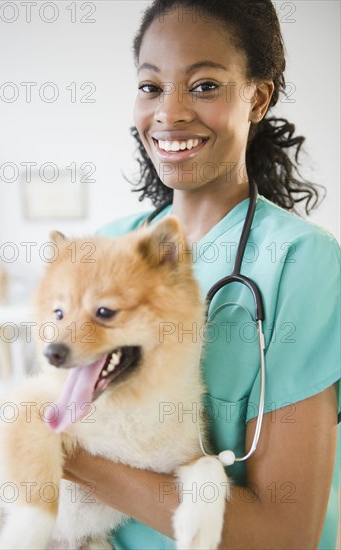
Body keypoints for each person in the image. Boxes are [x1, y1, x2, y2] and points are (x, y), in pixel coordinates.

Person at [63, 1, 340, 548]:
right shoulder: (111, 243)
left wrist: (71, 458)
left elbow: (286, 534)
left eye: (205, 85)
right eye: (151, 87)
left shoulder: (300, 261)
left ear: (257, 98)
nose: (170, 112)